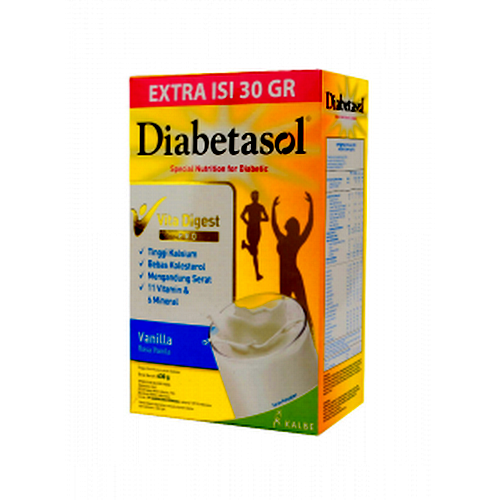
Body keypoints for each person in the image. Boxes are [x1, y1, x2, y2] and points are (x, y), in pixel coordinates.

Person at [272, 192, 313, 322]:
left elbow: (309, 225)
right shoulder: (284, 239)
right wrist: (273, 208)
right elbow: (274, 225)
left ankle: (310, 328)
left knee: (301, 304)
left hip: (291, 276)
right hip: (285, 277)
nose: (286, 224)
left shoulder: (294, 240)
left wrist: (312, 205)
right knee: (285, 308)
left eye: (289, 223)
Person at [240, 190, 269, 281]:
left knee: (254, 251)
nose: (255, 198)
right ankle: (257, 274)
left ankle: (245, 245)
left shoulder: (260, 207)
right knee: (255, 252)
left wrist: (259, 219)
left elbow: (267, 218)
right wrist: (248, 222)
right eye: (254, 196)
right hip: (251, 229)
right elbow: (242, 216)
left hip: (256, 229)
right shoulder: (248, 207)